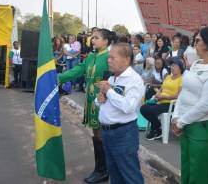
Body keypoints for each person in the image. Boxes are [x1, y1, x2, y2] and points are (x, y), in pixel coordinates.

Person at [172, 26, 208, 184]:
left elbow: (206, 105)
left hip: (204, 127)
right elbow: (184, 92)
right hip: (187, 123)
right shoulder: (196, 64)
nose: (193, 44)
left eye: (197, 41)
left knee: (201, 174)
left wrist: (181, 122)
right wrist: (176, 116)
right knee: (188, 169)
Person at [58, 29, 112, 183]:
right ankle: (101, 169)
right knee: (96, 134)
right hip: (90, 100)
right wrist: (58, 77)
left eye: (96, 38)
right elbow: (78, 70)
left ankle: (103, 171)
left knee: (101, 134)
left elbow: (114, 79)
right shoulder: (91, 56)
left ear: (106, 41)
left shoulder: (109, 57)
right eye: (92, 38)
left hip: (103, 101)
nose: (92, 40)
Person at [95, 42, 145, 184]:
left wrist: (109, 91)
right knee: (115, 174)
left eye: (112, 57)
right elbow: (102, 102)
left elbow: (129, 106)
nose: (108, 60)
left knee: (130, 176)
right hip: (107, 132)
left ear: (127, 59)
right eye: (108, 58)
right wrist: (99, 99)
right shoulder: (112, 78)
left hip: (123, 133)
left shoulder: (134, 80)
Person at [140, 57, 183, 140]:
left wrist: (164, 96)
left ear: (180, 68)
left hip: (171, 103)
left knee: (150, 110)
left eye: (175, 66)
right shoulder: (168, 77)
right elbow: (161, 88)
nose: (172, 68)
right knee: (143, 108)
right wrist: (157, 95)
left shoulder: (182, 79)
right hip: (160, 101)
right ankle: (157, 127)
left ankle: (156, 128)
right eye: (172, 66)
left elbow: (179, 96)